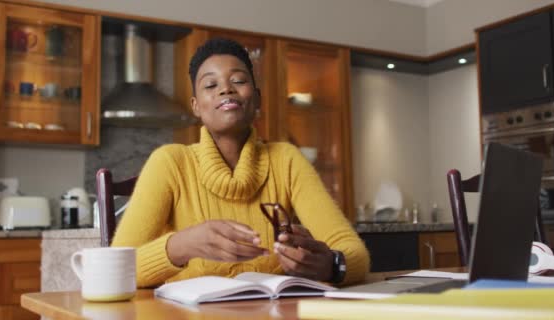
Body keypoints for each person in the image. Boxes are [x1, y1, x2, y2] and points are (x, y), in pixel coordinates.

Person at [111, 38, 370, 288]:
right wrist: (181, 245)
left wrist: (331, 265)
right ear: (196, 106)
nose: (226, 89)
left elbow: (354, 252)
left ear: (256, 99)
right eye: (211, 85)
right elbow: (116, 269)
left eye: (238, 80)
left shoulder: (286, 159)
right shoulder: (169, 163)